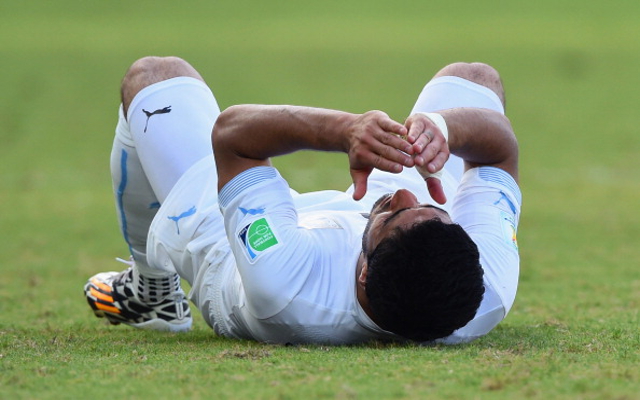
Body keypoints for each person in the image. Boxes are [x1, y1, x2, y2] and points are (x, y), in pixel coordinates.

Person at [84, 56, 520, 345]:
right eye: (432, 209)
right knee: (474, 79)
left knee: (154, 78)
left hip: (232, 250)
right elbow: (501, 150)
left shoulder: (284, 288)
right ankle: (415, 215)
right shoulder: (487, 290)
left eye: (396, 210)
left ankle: (151, 290)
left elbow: (233, 139)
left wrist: (345, 131)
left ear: (364, 271)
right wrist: (443, 129)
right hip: (385, 252)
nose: (401, 192)